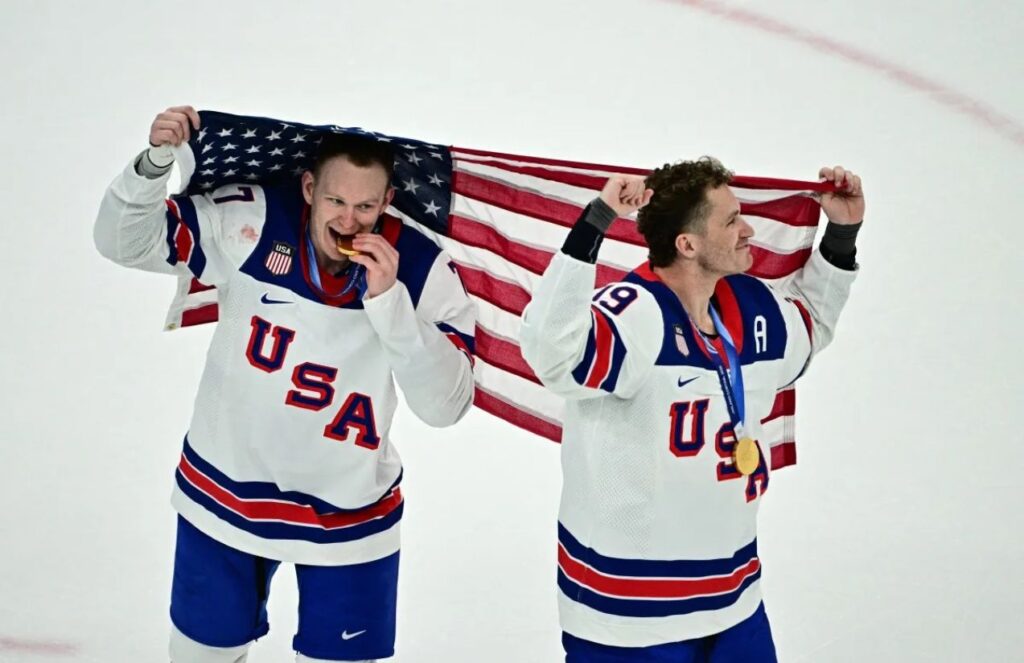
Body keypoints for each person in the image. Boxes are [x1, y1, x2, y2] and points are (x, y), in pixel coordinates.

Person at [94, 106, 477, 663]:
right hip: (223, 494)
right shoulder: (250, 219)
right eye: (336, 201)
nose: (349, 221)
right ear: (307, 187)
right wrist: (152, 167)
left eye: (366, 205)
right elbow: (122, 243)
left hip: (351, 515)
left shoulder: (419, 268)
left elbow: (445, 408)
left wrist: (390, 303)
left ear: (388, 199)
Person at [520, 157, 864, 662]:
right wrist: (596, 219)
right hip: (629, 613)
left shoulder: (754, 307)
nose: (748, 230)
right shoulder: (634, 314)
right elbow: (555, 354)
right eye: (730, 221)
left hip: (733, 597)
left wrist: (842, 231)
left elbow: (811, 325)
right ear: (687, 244)